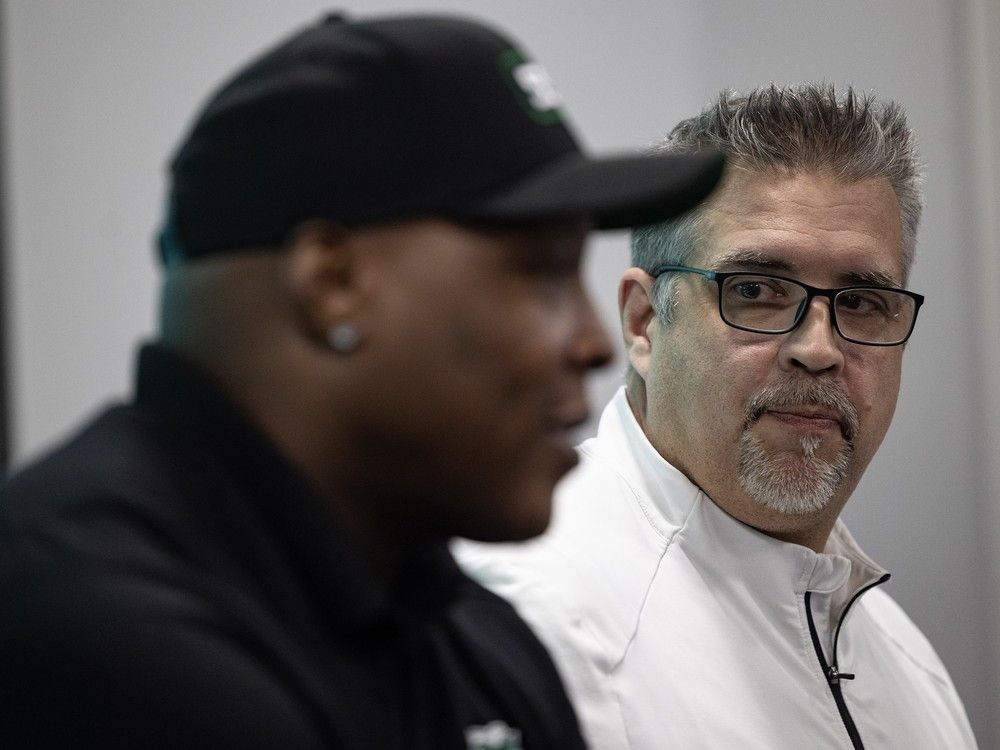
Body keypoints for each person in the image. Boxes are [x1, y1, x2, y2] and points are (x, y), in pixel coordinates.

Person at [0, 12, 724, 749]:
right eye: (541, 273)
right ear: (333, 284)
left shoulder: (467, 635)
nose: (594, 343)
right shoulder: (90, 624)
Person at [457, 84, 978, 749]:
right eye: (755, 290)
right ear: (644, 323)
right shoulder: (527, 620)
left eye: (861, 302)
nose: (819, 348)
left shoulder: (910, 669)